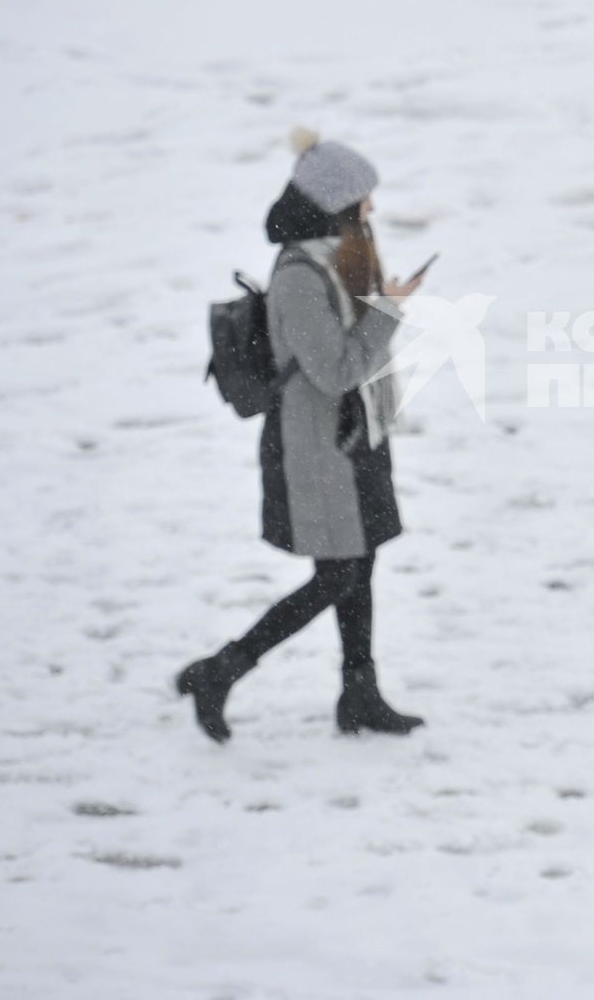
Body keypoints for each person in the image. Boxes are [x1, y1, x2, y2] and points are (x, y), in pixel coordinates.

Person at [177, 128, 427, 742]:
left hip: (352, 439)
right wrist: (389, 312)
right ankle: (222, 670)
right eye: (363, 198)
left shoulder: (331, 253)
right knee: (337, 576)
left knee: (359, 568)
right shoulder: (297, 275)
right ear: (334, 201)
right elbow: (336, 369)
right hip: (316, 450)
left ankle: (360, 694)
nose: (371, 209)